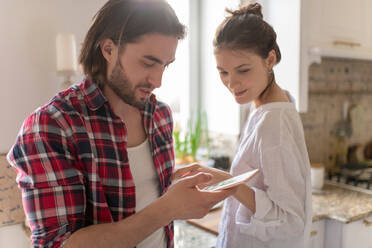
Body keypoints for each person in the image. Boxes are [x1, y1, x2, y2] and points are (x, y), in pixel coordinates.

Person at [6, 0, 236, 247]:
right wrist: (168, 209)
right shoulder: (51, 126)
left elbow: (148, 201)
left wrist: (180, 192)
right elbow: (57, 244)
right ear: (108, 49)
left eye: (165, 65)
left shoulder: (159, 115)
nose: (157, 80)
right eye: (148, 63)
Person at [173, 3, 312, 248]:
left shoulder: (274, 123)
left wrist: (229, 182)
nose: (231, 83)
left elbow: (291, 220)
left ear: (270, 59)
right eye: (223, 72)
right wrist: (223, 180)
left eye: (243, 70)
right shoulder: (264, 104)